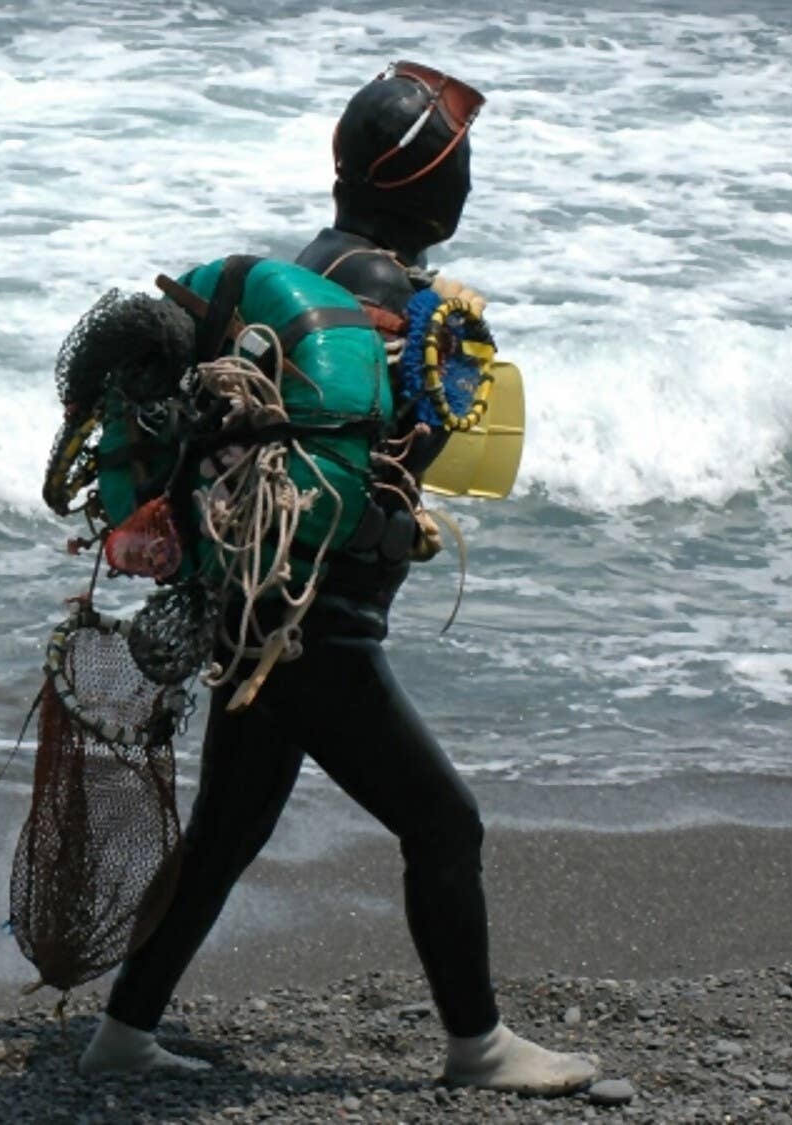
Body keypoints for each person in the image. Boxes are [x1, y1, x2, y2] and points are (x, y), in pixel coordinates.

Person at [76, 62, 599, 1097]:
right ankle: (479, 1048)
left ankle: (122, 1033)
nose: (466, 188)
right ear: (425, 186)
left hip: (258, 607)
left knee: (228, 830)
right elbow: (364, 466)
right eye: (459, 169)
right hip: (319, 623)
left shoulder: (316, 266)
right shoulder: (373, 290)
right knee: (444, 826)